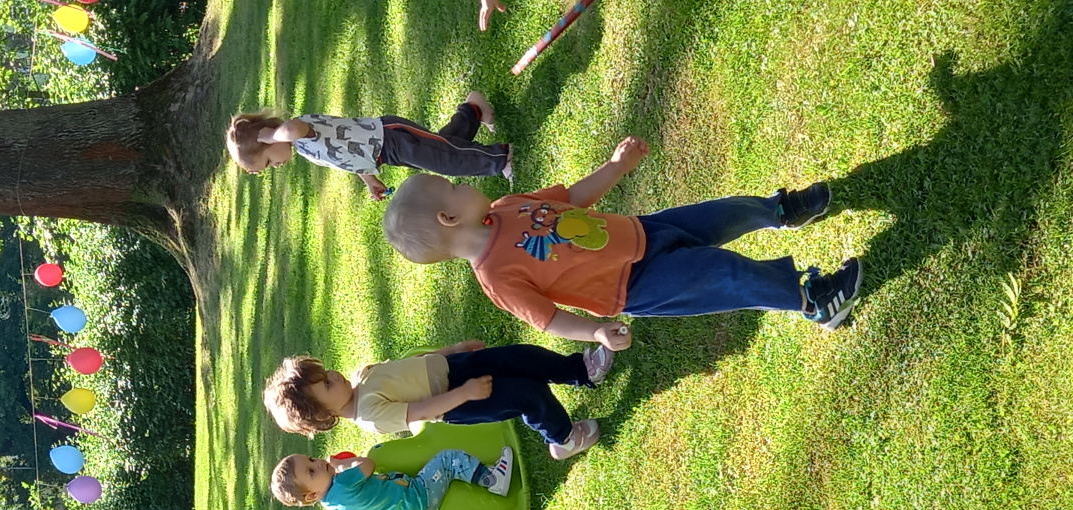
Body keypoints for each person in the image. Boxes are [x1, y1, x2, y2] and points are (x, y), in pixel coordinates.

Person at [381, 136, 864, 346]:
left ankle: (781, 210)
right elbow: (549, 320)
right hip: (637, 285)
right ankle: (814, 301)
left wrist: (616, 167)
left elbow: (573, 199)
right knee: (726, 274)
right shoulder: (497, 278)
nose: (463, 183)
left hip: (641, 231)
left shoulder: (506, 206)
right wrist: (594, 333)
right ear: (449, 217)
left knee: (722, 214)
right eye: (454, 186)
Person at [263, 340, 614, 461]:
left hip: (455, 368)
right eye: (326, 384)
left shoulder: (360, 378)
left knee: (521, 357)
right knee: (527, 394)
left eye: (325, 372)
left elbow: (413, 364)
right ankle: (563, 438)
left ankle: (581, 370)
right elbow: (419, 411)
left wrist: (452, 351)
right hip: (456, 401)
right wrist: (464, 393)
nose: (333, 375)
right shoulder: (370, 415)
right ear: (325, 414)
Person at [226, 92, 510, 200]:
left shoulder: (299, 132)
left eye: (268, 161)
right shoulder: (303, 149)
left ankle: (501, 158)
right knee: (442, 149)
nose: (275, 166)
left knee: (444, 158)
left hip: (392, 137)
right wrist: (369, 179)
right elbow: (347, 155)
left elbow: (291, 129)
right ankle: (474, 109)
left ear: (268, 138)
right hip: (387, 151)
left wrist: (270, 136)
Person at [270, 448, 513, 510]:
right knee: (448, 460)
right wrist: (344, 465)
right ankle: (493, 479)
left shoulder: (334, 509)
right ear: (311, 495)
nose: (318, 463)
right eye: (312, 471)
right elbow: (368, 465)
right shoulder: (342, 483)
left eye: (311, 459)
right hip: (418, 497)